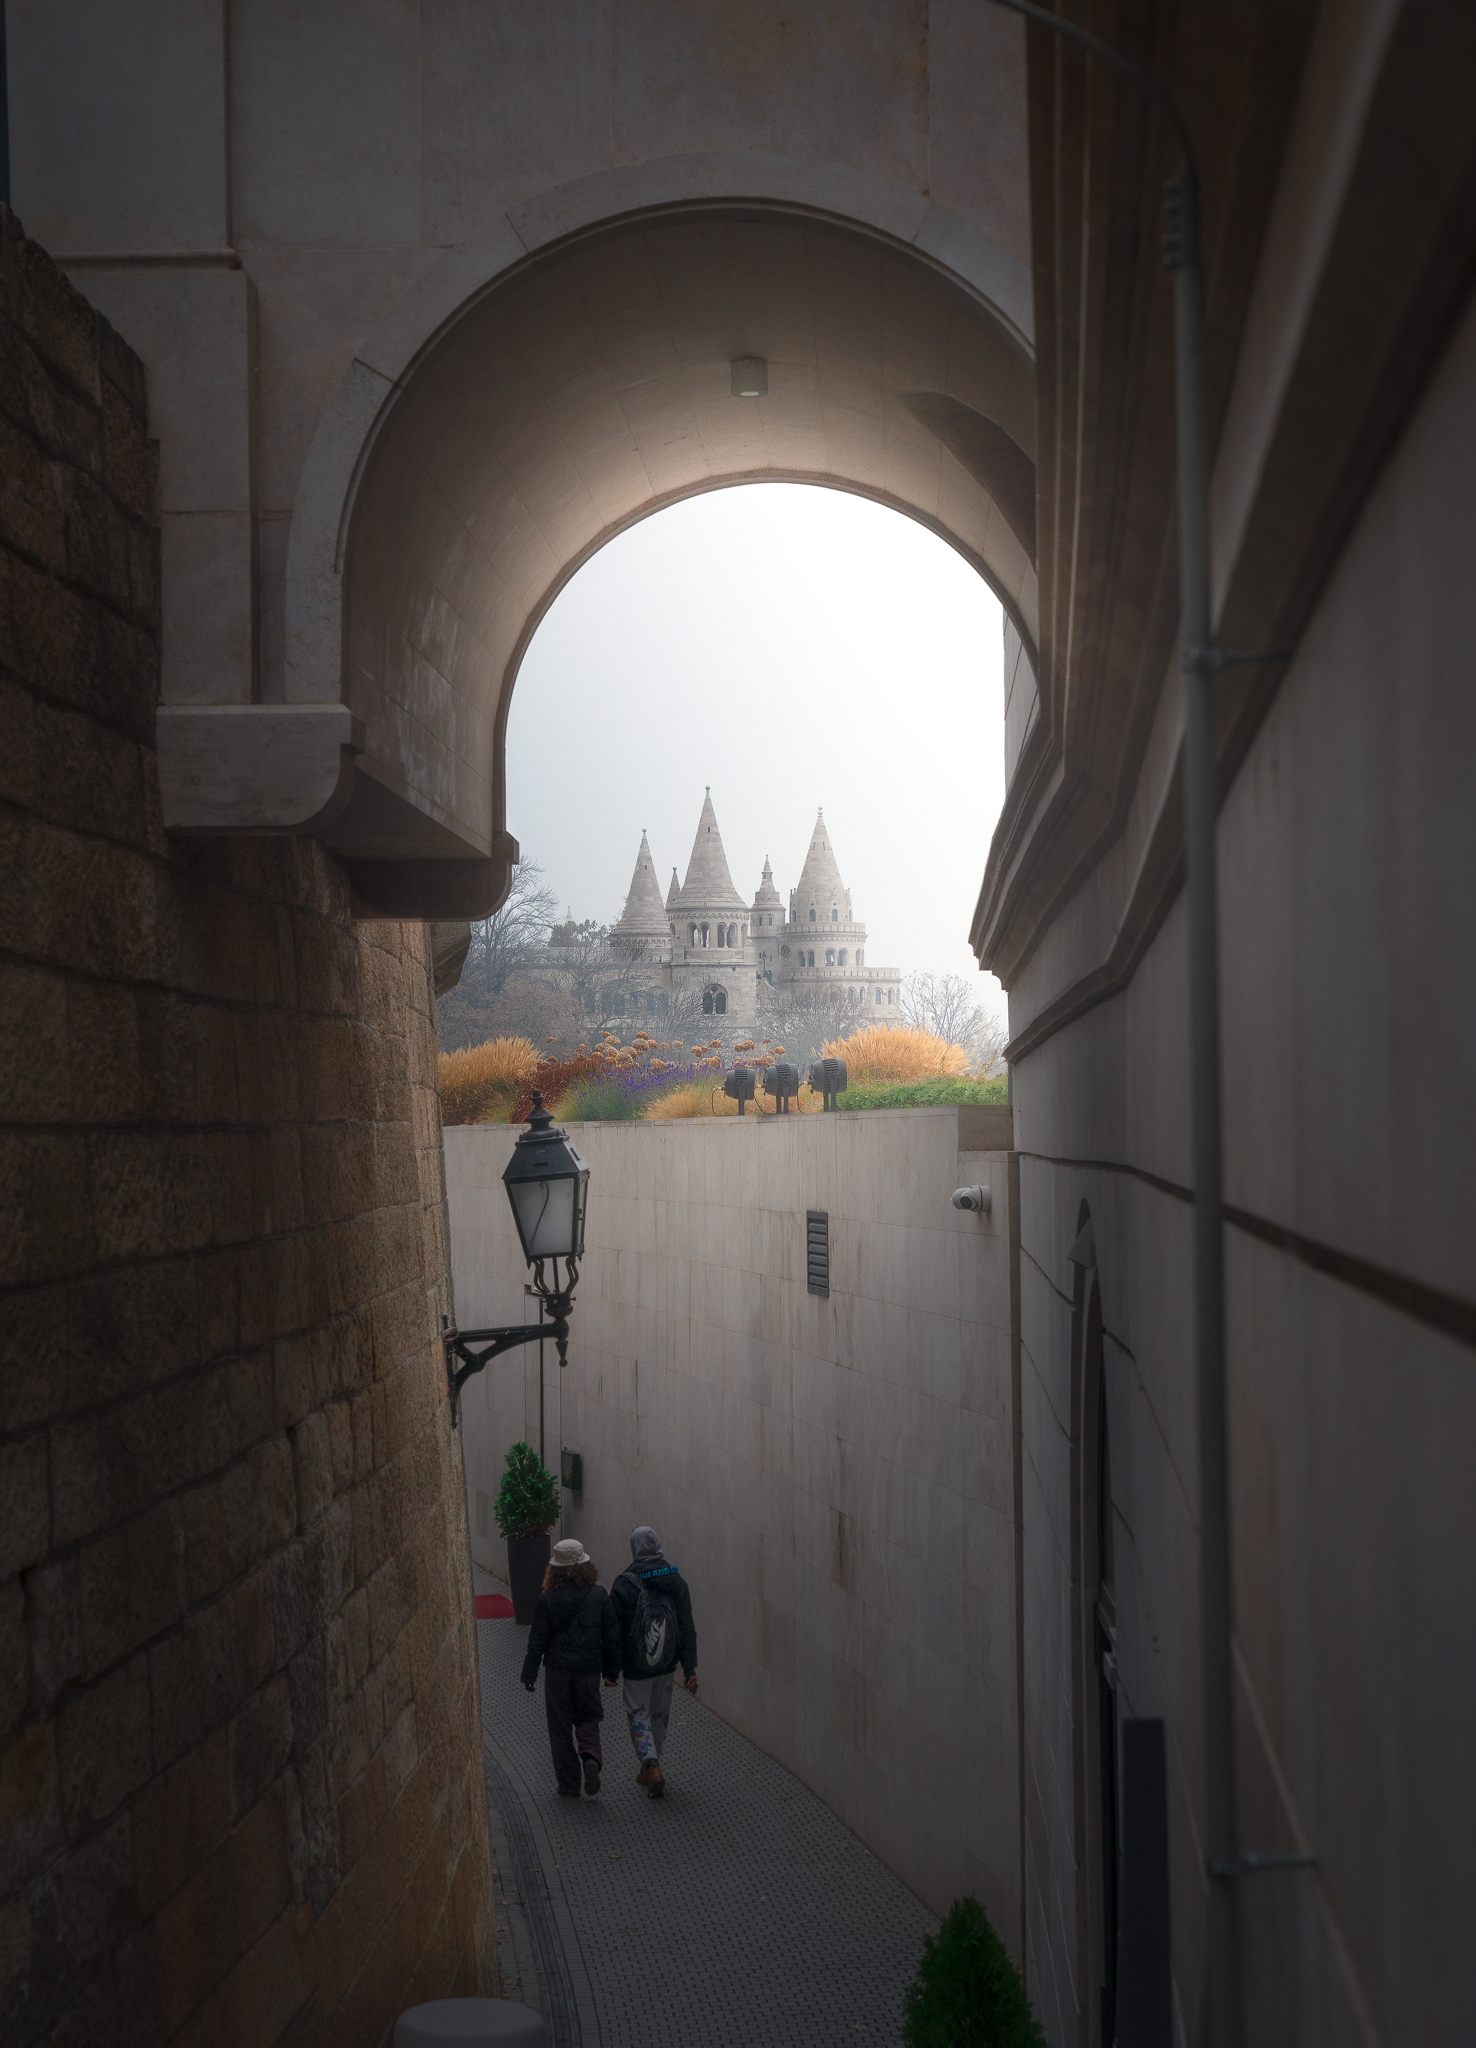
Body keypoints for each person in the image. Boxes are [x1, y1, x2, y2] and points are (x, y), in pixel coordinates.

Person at [521, 1538, 622, 1797]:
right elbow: (612, 1637)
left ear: (554, 1569)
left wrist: (529, 1674)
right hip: (589, 1671)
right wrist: (612, 1673)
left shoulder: (547, 1598)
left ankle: (568, 1783)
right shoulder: (599, 1595)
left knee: (560, 1726)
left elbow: (537, 1640)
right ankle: (590, 1757)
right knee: (589, 1718)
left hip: (557, 1672)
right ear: (585, 1566)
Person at [609, 1525, 698, 1799]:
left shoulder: (624, 1584)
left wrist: (611, 1670)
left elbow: (614, 1633)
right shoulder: (676, 1581)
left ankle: (650, 1764)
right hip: (666, 1663)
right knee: (659, 1714)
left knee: (638, 1713)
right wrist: (690, 1669)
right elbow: (686, 1626)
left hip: (635, 1667)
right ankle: (650, 1766)